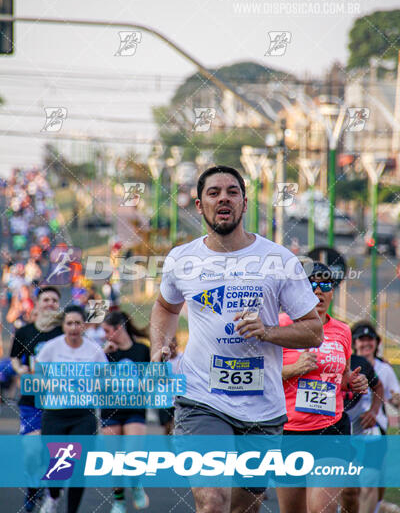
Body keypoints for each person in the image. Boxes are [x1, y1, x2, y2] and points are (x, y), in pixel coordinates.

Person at [150, 165, 324, 513]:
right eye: (214, 193)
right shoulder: (182, 259)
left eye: (232, 192)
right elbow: (165, 307)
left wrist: (268, 331)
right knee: (213, 502)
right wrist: (160, 343)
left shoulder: (278, 260)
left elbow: (314, 330)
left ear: (244, 204)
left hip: (262, 407)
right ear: (199, 205)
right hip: (201, 399)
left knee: (243, 507)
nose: (223, 198)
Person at [276, 262, 368, 513]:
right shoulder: (281, 325)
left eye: (325, 285)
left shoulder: (342, 331)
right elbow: (260, 376)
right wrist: (295, 369)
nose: (318, 291)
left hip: (330, 430)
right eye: (311, 284)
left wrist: (353, 381)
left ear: (332, 291)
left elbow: (343, 374)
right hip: (288, 431)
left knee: (321, 509)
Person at [36, 304, 107, 513]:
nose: (74, 328)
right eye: (69, 323)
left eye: (78, 323)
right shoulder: (52, 347)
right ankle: (54, 496)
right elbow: (37, 373)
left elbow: (105, 380)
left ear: (84, 326)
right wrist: (49, 385)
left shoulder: (94, 350)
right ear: (63, 325)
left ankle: (72, 510)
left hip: (83, 415)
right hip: (55, 414)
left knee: (79, 465)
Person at [9, 286, 63, 513]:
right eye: (46, 299)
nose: (49, 303)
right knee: (32, 451)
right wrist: (21, 371)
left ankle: (52, 494)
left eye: (54, 300)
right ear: (38, 304)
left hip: (59, 401)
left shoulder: (65, 332)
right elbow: (13, 358)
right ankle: (33, 490)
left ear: (58, 305)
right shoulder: (25, 332)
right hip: (32, 400)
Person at [343, 322, 400, 513]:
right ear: (354, 342)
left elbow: (392, 397)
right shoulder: (345, 362)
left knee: (370, 482)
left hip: (373, 429)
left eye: (370, 339)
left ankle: (374, 507)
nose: (366, 343)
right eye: (361, 339)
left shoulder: (384, 369)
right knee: (349, 489)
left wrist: (378, 410)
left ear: (377, 343)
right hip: (345, 430)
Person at [101, 310, 150, 512]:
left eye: (107, 330)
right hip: (110, 410)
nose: (104, 335)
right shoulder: (104, 352)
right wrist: (103, 354)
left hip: (134, 409)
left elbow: (151, 377)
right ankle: (119, 500)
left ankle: (137, 485)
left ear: (118, 328)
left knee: (133, 453)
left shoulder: (141, 350)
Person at [157, 336, 183, 435]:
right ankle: (170, 448)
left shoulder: (183, 358)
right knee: (167, 429)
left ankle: (176, 448)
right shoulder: (160, 360)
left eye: (173, 342)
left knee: (176, 425)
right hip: (165, 400)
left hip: (178, 399)